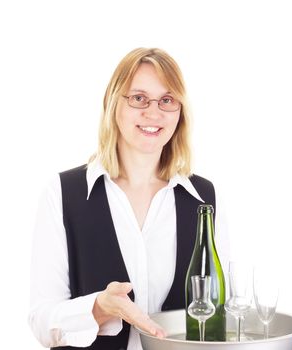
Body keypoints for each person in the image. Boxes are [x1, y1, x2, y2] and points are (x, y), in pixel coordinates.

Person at [29, 47, 229, 350]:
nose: (154, 112)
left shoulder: (205, 199)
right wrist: (99, 307)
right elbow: (42, 321)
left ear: (180, 111)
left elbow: (219, 316)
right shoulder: (63, 193)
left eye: (167, 100)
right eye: (138, 98)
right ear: (113, 103)